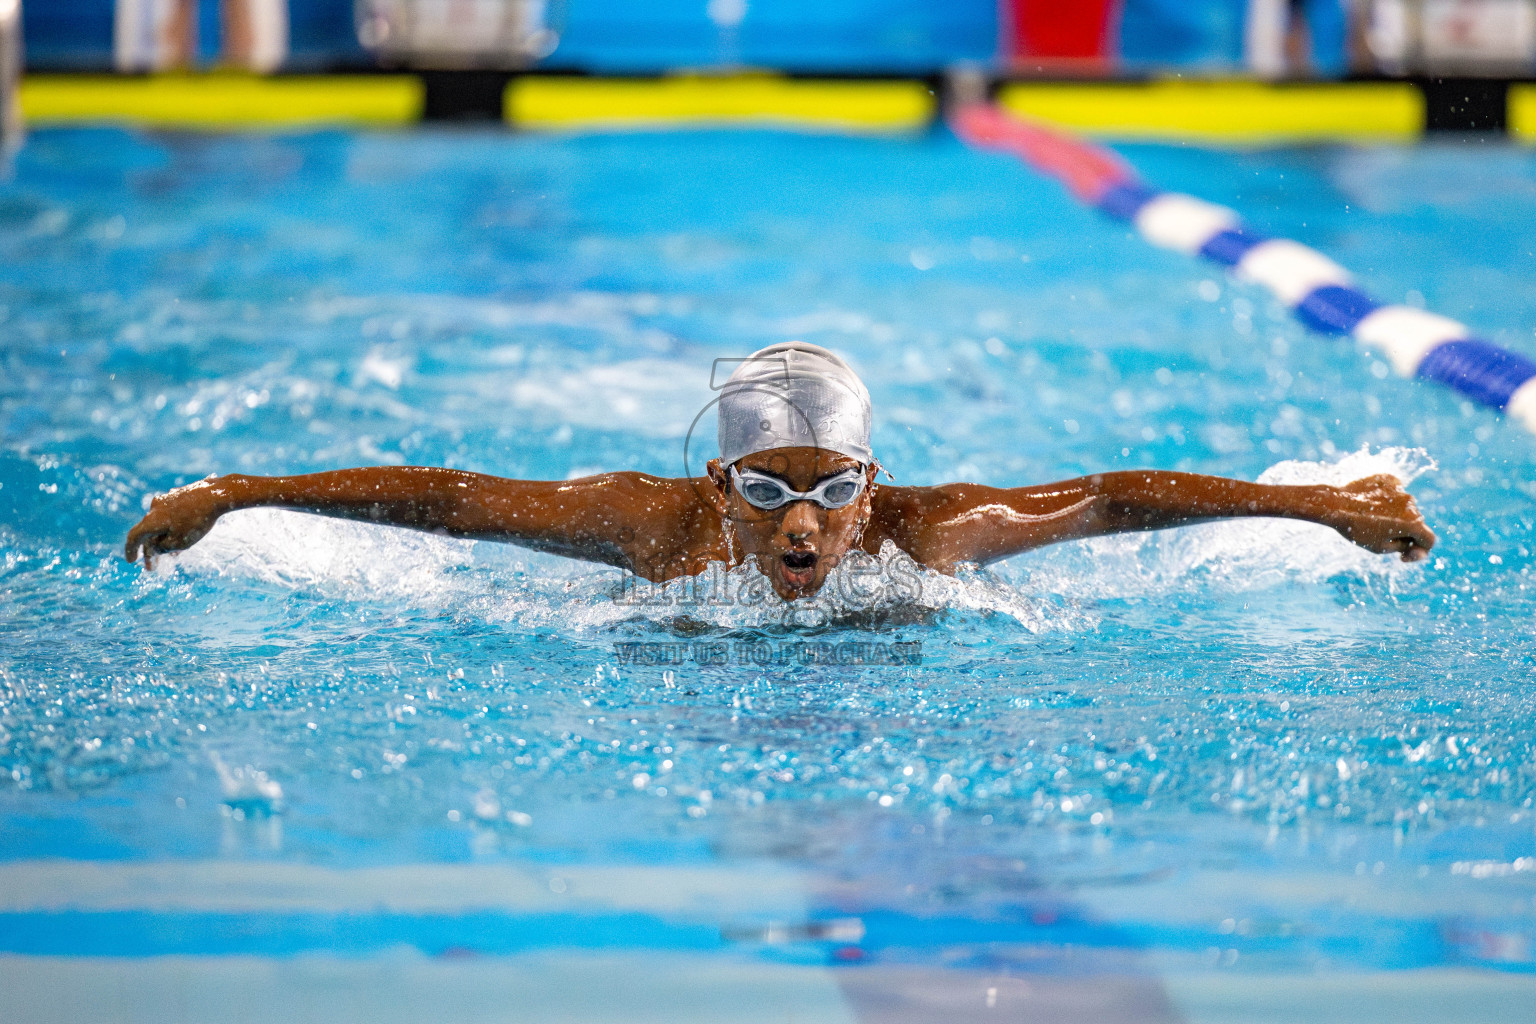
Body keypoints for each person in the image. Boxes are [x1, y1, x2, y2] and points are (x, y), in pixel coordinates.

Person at [125, 342, 1435, 602]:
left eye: (829, 489)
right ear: (716, 491)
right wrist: (235, 491)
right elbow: (448, 499)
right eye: (765, 490)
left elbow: (1111, 497)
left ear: (874, 482)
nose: (802, 521)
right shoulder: (652, 532)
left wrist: (1328, 508)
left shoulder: (926, 537)